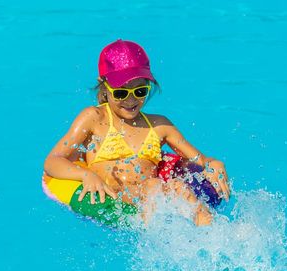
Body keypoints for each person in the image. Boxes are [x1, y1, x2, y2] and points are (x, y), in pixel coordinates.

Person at [43, 39, 229, 226]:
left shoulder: (159, 125)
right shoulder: (94, 118)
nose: (131, 100)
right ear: (104, 86)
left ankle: (215, 234)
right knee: (154, 187)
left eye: (140, 91)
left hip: (153, 196)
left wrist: (214, 163)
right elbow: (53, 160)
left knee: (176, 187)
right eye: (121, 93)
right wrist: (86, 175)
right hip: (122, 200)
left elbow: (200, 160)